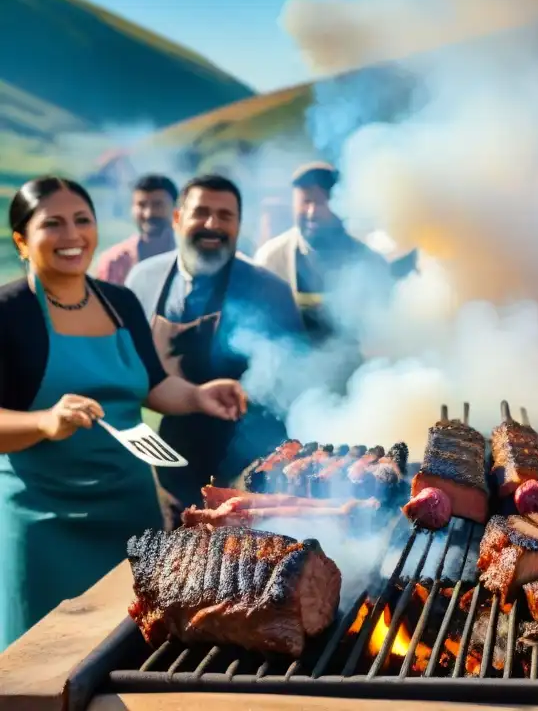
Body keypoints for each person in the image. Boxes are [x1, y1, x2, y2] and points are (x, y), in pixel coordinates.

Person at [0, 177, 248, 651]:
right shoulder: (9, 311)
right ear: (21, 240)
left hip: (130, 514)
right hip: (44, 523)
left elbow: (153, 385)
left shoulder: (120, 303)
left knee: (131, 652)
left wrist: (197, 396)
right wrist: (44, 422)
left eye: (82, 220)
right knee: (40, 664)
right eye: (52, 223)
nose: (72, 235)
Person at [126, 174, 304, 511]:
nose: (213, 224)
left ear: (238, 224)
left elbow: (295, 385)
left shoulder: (269, 290)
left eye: (225, 216)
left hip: (247, 466)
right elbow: (128, 370)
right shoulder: (143, 280)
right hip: (168, 459)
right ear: (178, 218)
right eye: (201, 212)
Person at [254, 162, 393, 344]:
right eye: (306, 201)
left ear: (342, 205)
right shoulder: (271, 260)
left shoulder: (370, 264)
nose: (312, 212)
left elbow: (384, 336)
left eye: (321, 203)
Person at [95, 174, 178, 285]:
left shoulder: (190, 257)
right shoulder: (115, 261)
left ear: (176, 209)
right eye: (141, 205)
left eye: (158, 205)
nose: (149, 214)